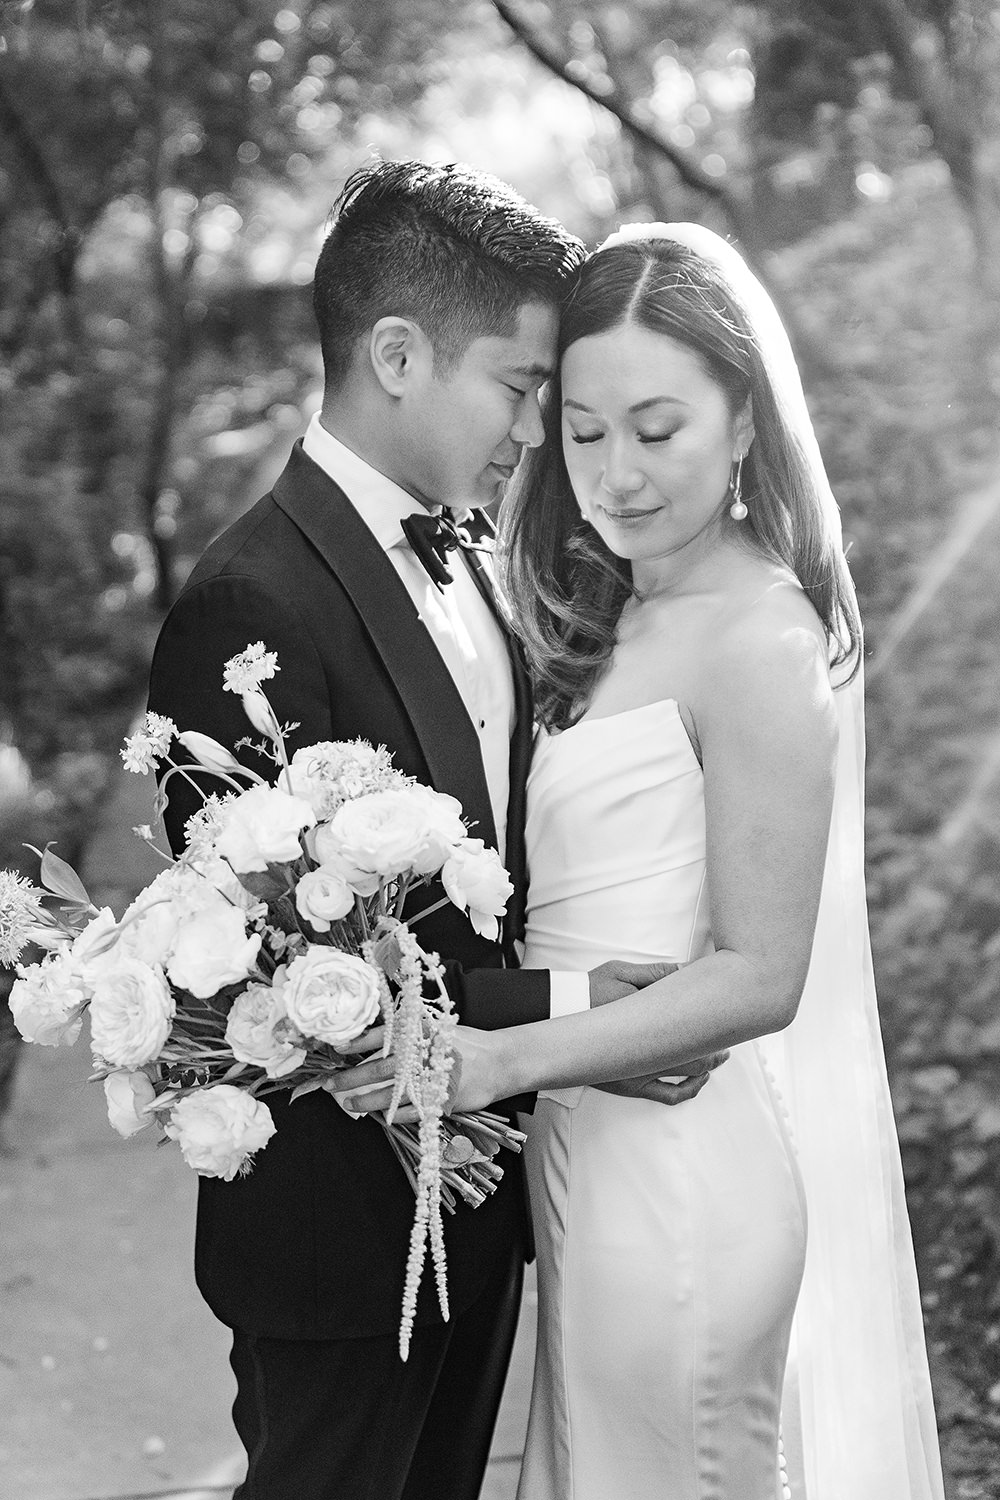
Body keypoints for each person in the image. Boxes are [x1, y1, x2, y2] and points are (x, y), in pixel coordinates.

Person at [337, 223, 945, 1498]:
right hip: (584, 1169)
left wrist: (503, 1061)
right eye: (583, 430)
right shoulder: (624, 611)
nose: (615, 474)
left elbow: (761, 975)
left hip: (685, 1181)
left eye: (657, 429)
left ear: (742, 424)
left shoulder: (760, 640)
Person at [146, 162, 691, 1500]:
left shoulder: (483, 558)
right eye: (518, 387)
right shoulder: (249, 605)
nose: (534, 428)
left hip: (477, 1209)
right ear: (397, 353)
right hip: (339, 1242)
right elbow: (286, 985)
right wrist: (585, 1011)